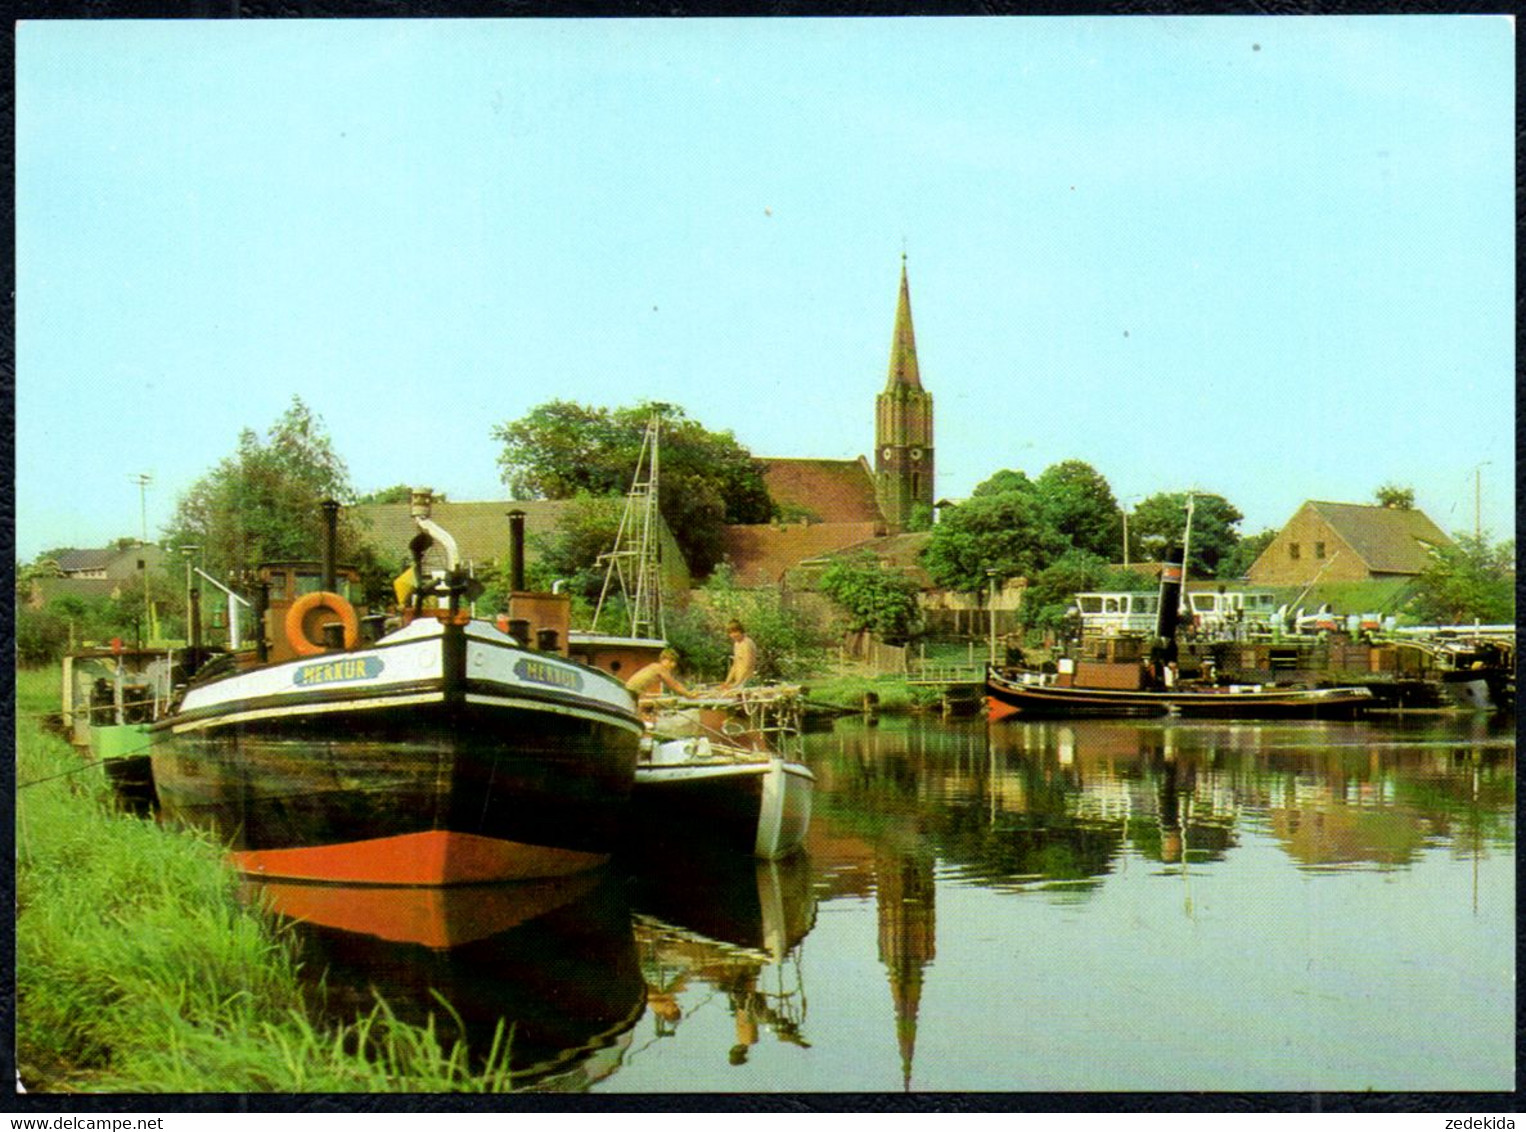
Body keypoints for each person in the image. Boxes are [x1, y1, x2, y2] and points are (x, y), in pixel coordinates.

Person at [624, 649, 693, 698]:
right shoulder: (659, 668)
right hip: (631, 692)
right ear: (663, 659)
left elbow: (675, 683)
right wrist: (688, 694)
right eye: (671, 661)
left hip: (631, 691)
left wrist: (686, 691)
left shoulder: (654, 666)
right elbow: (674, 685)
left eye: (674, 662)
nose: (673, 665)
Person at [719, 620, 757, 690]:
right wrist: (727, 682)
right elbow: (735, 665)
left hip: (746, 682)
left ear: (741, 631)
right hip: (739, 681)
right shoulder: (737, 644)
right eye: (731, 633)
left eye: (735, 632)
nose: (733, 635)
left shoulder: (747, 643)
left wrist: (737, 684)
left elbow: (747, 665)